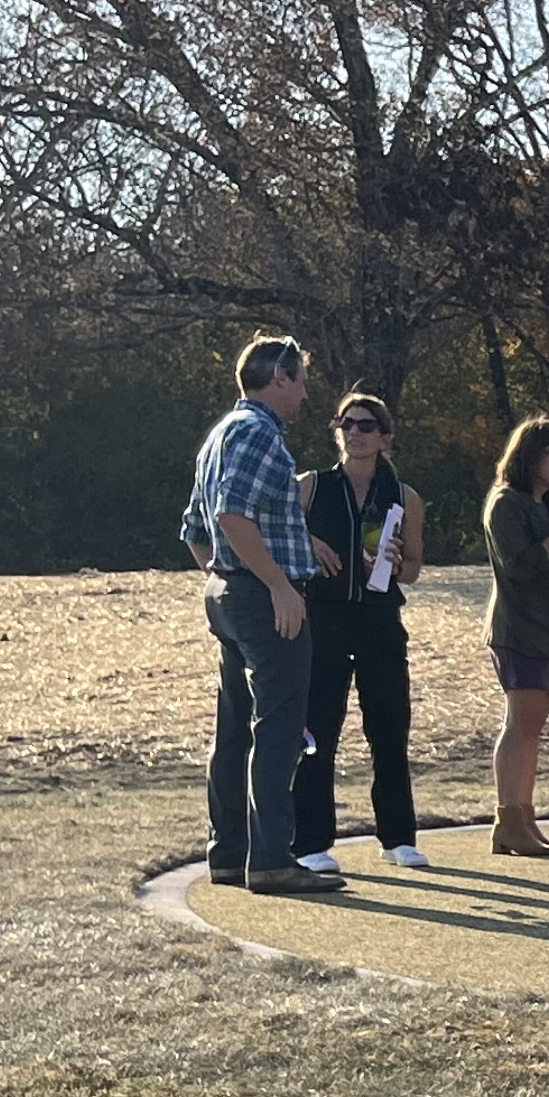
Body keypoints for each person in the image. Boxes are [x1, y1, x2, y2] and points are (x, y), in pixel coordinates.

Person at [183, 334, 335, 898]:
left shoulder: (220, 434)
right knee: (278, 728)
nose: (303, 392)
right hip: (261, 597)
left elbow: (195, 530)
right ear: (279, 378)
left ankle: (231, 853)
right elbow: (230, 516)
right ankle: (271, 859)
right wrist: (275, 586)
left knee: (234, 727)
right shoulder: (258, 433)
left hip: (229, 594)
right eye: (299, 380)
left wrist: (225, 580)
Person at [290, 388, 425, 877]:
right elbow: (272, 529)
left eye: (366, 425)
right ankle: (309, 841)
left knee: (389, 729)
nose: (355, 433)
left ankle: (398, 838)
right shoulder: (311, 486)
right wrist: (307, 540)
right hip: (322, 619)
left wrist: (397, 562)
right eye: (347, 424)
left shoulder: (403, 496)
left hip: (379, 622)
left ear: (385, 436)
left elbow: (413, 568)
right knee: (316, 731)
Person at [481, 415, 549, 858]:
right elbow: (518, 567)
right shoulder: (505, 502)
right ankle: (508, 820)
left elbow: (543, 561)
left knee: (532, 730)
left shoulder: (545, 504)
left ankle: (524, 817)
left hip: (547, 630)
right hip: (519, 629)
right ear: (531, 456)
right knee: (520, 726)